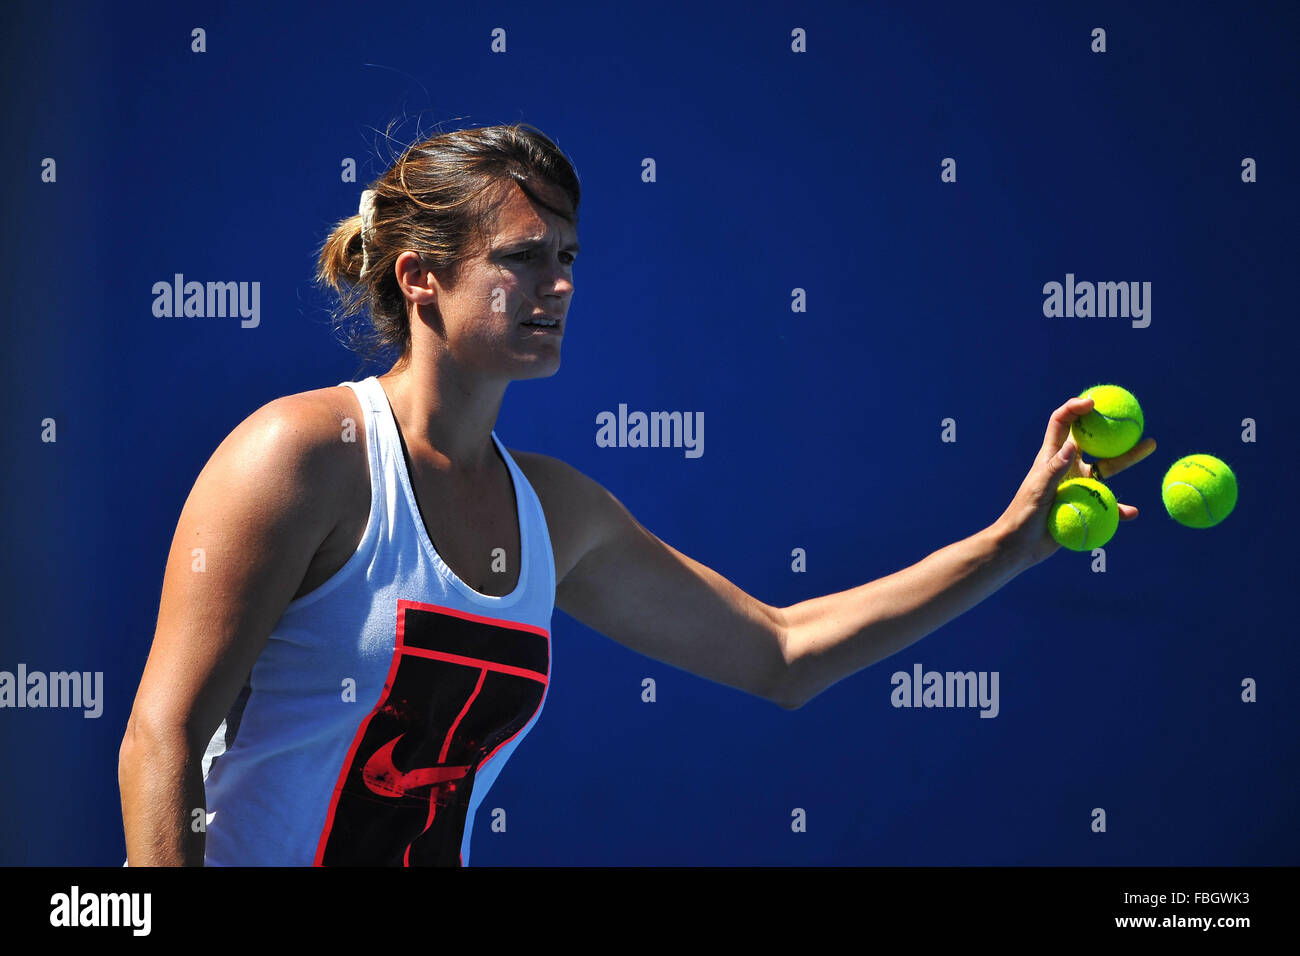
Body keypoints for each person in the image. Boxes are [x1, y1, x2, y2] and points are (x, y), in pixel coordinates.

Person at [117, 122, 1156, 866]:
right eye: (523, 259)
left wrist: (1011, 542)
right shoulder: (301, 453)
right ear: (416, 274)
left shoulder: (557, 513)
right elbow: (161, 736)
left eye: (567, 258)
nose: (560, 285)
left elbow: (780, 650)